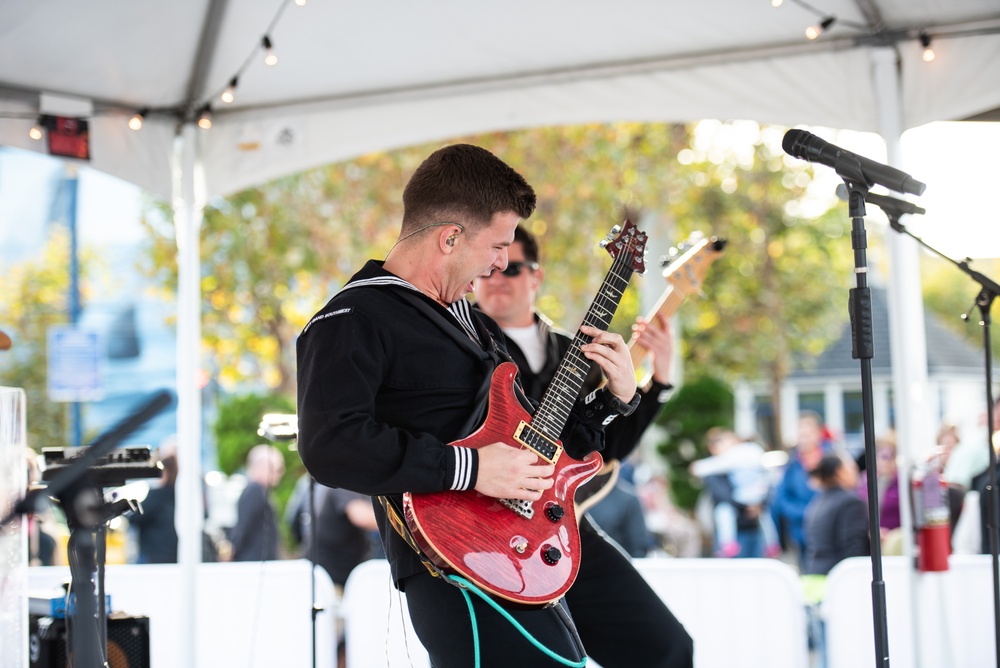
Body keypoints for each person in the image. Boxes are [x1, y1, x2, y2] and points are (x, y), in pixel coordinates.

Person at [297, 144, 658, 668]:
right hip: (452, 563)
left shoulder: (476, 325)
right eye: (496, 246)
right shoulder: (353, 316)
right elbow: (330, 446)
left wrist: (617, 397)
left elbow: (545, 449)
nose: (497, 265)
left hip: (523, 553)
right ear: (449, 237)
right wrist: (471, 469)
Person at [473, 224, 693, 666]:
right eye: (488, 268)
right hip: (486, 527)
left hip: (563, 525)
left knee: (666, 648)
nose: (497, 278)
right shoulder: (466, 352)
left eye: (512, 268)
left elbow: (605, 452)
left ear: (536, 277)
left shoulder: (574, 353)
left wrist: (658, 382)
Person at [691, 427, 780, 558]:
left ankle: (772, 545)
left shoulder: (738, 461)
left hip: (752, 527)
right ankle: (729, 545)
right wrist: (748, 506)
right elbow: (722, 495)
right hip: (737, 528)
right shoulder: (715, 470)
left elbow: (765, 482)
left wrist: (759, 504)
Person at [771, 410, 832, 565]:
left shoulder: (832, 460)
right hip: (801, 533)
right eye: (800, 433)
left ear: (818, 433)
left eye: (807, 433)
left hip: (830, 531)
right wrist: (803, 513)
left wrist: (821, 514)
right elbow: (781, 499)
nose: (803, 437)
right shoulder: (791, 464)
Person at [802, 453, 870, 575]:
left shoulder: (818, 501)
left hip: (815, 577)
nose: (856, 472)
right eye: (852, 468)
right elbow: (854, 551)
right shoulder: (850, 502)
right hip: (839, 580)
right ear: (840, 472)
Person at [229, 444, 284, 562]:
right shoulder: (254, 490)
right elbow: (243, 527)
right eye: (276, 470)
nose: (279, 474)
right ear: (262, 467)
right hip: (254, 563)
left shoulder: (258, 490)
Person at [129, 446, 178, 563]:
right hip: (174, 556)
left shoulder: (157, 496)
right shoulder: (179, 496)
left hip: (153, 556)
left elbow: (134, 518)